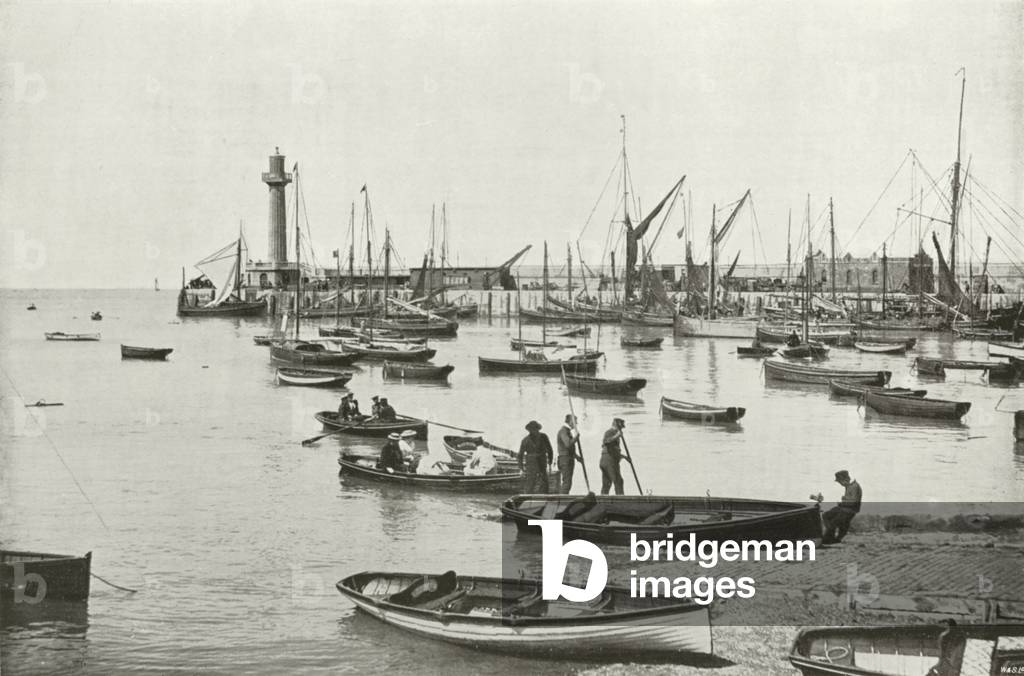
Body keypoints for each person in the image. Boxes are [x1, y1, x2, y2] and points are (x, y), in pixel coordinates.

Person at [821, 470, 862, 544]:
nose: (840, 484)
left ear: (845, 479)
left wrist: (843, 501)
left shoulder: (854, 487)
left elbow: (853, 503)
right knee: (826, 515)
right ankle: (833, 538)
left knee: (834, 522)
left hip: (849, 510)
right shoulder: (850, 486)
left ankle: (829, 539)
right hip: (844, 508)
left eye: (840, 482)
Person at [518, 420, 553, 493]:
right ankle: (527, 498)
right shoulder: (525, 440)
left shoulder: (544, 437)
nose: (534, 431)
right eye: (532, 429)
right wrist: (521, 469)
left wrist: (550, 463)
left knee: (544, 482)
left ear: (538, 429)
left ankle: (544, 497)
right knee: (530, 482)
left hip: (542, 462)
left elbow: (550, 450)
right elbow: (520, 455)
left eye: (535, 429)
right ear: (529, 430)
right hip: (531, 464)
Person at [600, 417, 630, 495]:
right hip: (609, 461)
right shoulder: (610, 432)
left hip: (607, 461)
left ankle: (602, 499)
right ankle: (621, 500)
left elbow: (613, 450)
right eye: (621, 428)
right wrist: (617, 436)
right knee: (618, 481)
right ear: (617, 426)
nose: (621, 430)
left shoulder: (613, 433)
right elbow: (606, 442)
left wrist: (624, 457)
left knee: (607, 483)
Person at [556, 414, 582, 494]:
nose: (576, 423)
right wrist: (576, 438)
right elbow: (567, 444)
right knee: (567, 482)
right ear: (571, 422)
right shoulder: (563, 431)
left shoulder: (567, 431)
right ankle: (562, 500)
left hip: (568, 458)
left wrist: (577, 457)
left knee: (568, 482)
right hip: (565, 459)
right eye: (575, 421)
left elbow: (569, 449)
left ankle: (563, 498)